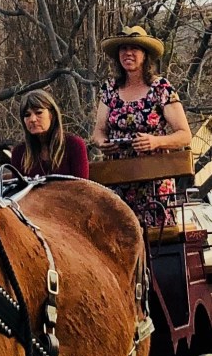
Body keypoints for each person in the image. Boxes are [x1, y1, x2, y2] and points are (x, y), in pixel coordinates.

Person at [92, 25, 192, 227]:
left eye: (134, 48)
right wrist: (103, 143)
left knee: (157, 240)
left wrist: (154, 142)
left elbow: (184, 135)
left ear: (145, 55)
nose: (128, 53)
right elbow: (98, 132)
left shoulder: (161, 88)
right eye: (123, 48)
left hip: (154, 182)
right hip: (119, 178)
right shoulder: (109, 90)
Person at [11, 90, 89, 179]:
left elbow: (82, 188)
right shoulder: (19, 152)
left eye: (38, 112)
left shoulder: (74, 145)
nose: (32, 119)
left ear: (52, 114)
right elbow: (17, 189)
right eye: (27, 115)